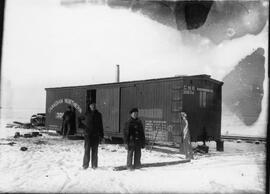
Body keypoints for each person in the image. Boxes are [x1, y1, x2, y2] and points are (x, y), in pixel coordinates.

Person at [81, 102, 104, 169]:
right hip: (88, 135)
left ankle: (94, 165)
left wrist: (102, 136)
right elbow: (79, 120)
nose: (93, 106)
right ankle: (85, 165)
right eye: (91, 105)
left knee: (95, 151)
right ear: (89, 106)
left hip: (96, 135)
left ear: (95, 106)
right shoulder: (86, 114)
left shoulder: (99, 115)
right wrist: (84, 127)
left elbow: (101, 125)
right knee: (87, 150)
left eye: (94, 105)